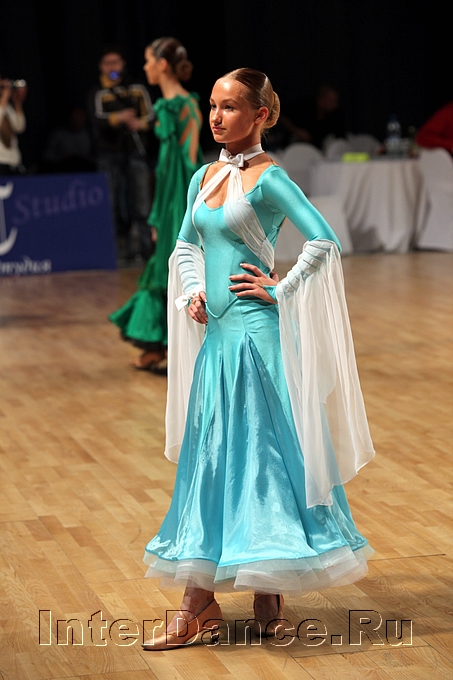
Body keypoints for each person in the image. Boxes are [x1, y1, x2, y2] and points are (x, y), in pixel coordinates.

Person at [140, 68, 375, 650]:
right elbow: (186, 245)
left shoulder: (270, 179)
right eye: (212, 107)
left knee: (263, 462)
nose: (216, 117)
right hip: (217, 343)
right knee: (212, 461)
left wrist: (281, 287)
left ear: (260, 115)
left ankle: (245, 596)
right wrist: (194, 291)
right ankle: (216, 601)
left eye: (229, 107)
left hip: (257, 339)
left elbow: (324, 239)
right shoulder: (203, 176)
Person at [108, 37, 204, 371]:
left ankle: (175, 347)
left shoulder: (187, 106)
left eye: (149, 60)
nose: (145, 66)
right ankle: (159, 346)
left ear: (162, 64)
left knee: (172, 270)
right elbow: (164, 168)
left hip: (180, 203)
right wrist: (156, 213)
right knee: (161, 270)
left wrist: (189, 211)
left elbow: (191, 163)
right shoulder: (165, 106)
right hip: (165, 202)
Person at [86, 46, 155, 260]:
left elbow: (151, 115)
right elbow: (95, 118)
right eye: (108, 63)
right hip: (108, 155)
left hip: (135, 153)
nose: (112, 67)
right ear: (101, 67)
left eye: (115, 62)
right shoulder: (98, 92)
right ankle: (116, 253)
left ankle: (146, 252)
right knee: (111, 205)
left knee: (142, 204)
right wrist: (119, 118)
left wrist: (139, 123)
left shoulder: (136, 88)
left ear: (123, 64)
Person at [279, 83, 347, 151]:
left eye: (336, 100)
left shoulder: (336, 114)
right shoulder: (305, 106)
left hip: (319, 150)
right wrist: (297, 131)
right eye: (331, 101)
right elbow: (281, 115)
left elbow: (341, 137)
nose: (335, 104)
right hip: (294, 146)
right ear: (321, 100)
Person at [41, 105, 95, 173]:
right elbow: (48, 157)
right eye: (75, 115)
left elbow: (97, 157)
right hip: (62, 172)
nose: (78, 119)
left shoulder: (91, 134)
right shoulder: (58, 134)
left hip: (86, 172)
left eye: (80, 116)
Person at [0, 76, 27, 175]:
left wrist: (17, 102)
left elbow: (19, 127)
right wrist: (4, 97)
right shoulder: (2, 105)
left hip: (13, 162)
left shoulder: (6, 107)